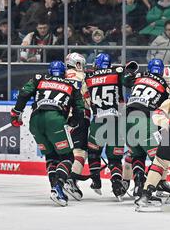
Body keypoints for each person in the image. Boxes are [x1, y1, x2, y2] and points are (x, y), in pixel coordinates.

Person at [10, 61, 85, 207]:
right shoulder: (72, 85)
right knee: (67, 156)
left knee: (51, 156)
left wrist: (16, 113)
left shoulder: (39, 78)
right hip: (55, 120)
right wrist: (72, 122)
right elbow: (80, 109)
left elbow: (24, 93)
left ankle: (54, 188)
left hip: (35, 121)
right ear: (64, 73)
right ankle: (58, 187)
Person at [84, 53, 135, 201]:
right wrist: (126, 72)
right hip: (116, 120)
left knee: (93, 153)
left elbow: (84, 97)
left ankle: (96, 180)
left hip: (98, 119)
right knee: (114, 158)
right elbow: (129, 82)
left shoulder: (89, 77)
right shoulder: (116, 72)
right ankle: (117, 184)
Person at [126, 58, 170, 199]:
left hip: (127, 120)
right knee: (159, 156)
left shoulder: (139, 77)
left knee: (137, 155)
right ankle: (151, 187)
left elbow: (125, 80)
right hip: (144, 121)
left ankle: (139, 187)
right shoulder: (164, 84)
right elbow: (166, 105)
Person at [63, 52, 90, 200]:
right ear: (78, 64)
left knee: (62, 152)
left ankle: (59, 180)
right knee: (80, 151)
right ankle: (71, 181)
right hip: (79, 116)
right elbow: (87, 98)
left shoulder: (61, 75)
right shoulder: (82, 78)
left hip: (60, 116)